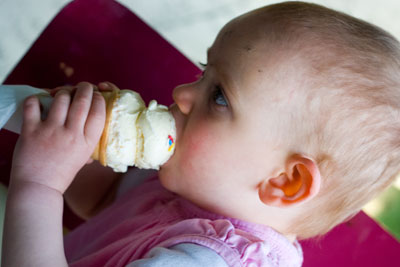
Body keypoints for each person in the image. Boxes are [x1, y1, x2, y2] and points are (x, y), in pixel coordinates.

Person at [3, 1, 400, 266]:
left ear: (285, 181)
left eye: (219, 97)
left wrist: (39, 185)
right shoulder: (197, 182)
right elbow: (103, 202)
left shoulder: (204, 261)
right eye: (201, 71)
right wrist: (85, 151)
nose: (181, 94)